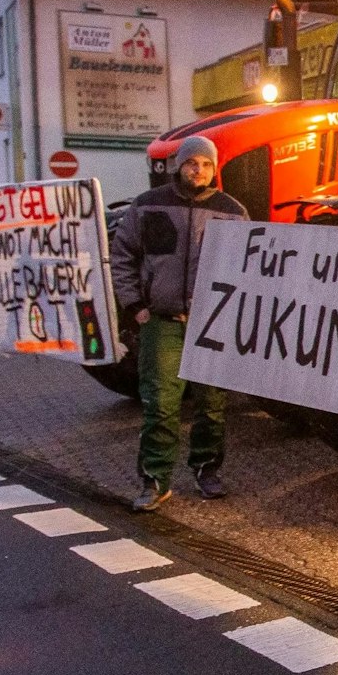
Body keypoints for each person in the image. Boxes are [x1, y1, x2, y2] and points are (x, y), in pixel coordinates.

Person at [109, 135, 248, 512]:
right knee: (161, 405)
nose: (198, 170)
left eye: (205, 164)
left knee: (212, 404)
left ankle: (206, 469)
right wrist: (134, 304)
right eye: (191, 163)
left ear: (214, 168)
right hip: (163, 322)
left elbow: (247, 269)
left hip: (211, 323)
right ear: (177, 166)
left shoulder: (233, 211)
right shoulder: (147, 206)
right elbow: (122, 256)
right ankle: (155, 481)